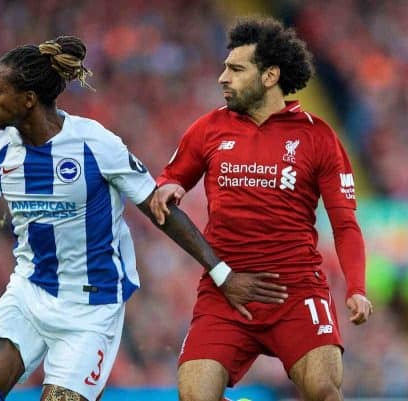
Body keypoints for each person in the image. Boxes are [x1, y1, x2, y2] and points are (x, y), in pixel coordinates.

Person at [0, 36, 287, 401]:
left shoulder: (95, 144)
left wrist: (222, 274)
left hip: (91, 309)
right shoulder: (1, 152)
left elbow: (159, 210)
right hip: (29, 293)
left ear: (28, 100)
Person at [150, 17, 373, 401]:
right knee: (194, 396)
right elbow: (169, 181)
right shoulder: (208, 129)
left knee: (324, 391)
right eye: (225, 67)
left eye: (236, 69)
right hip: (225, 292)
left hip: (296, 292)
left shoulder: (318, 137)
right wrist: (167, 187)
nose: (222, 78)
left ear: (270, 76)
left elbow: (345, 225)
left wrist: (356, 288)